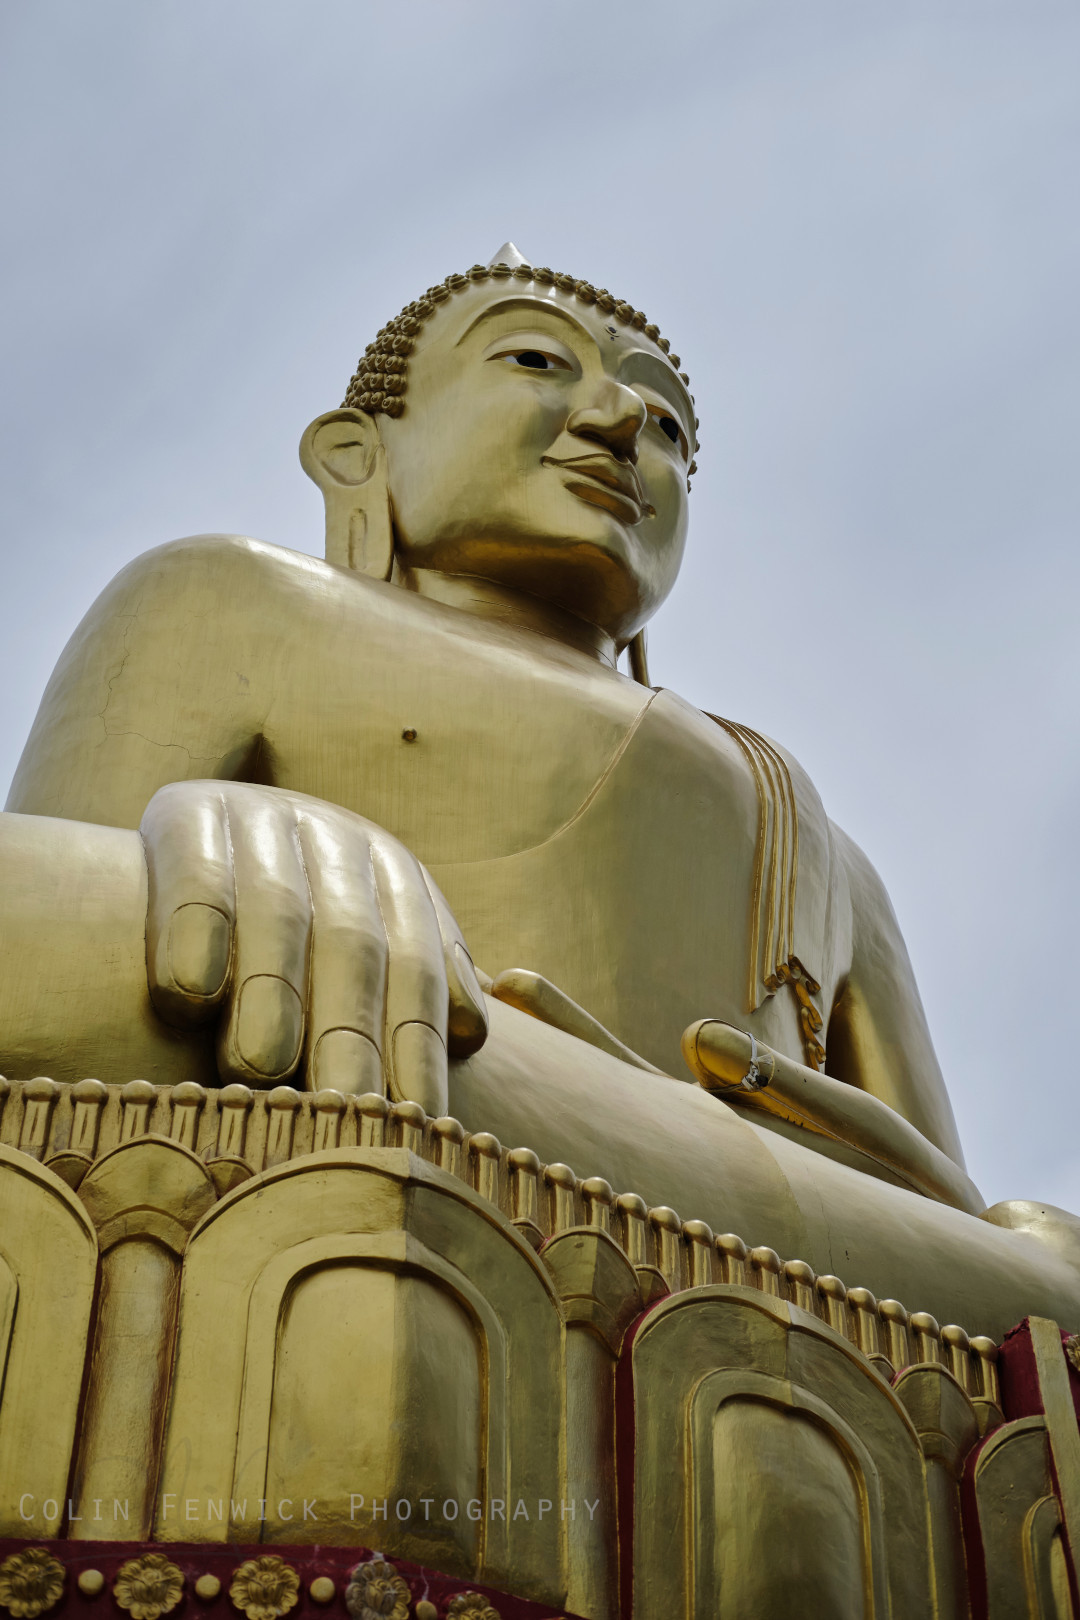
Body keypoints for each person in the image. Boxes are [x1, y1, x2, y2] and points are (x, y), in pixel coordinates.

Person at [1, 247, 1076, 1334]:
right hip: (374, 1112)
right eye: (536, 361)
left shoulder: (823, 846)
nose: (620, 421)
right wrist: (235, 852)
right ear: (356, 455)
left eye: (668, 429)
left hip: (769, 1278)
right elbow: (39, 963)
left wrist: (1012, 1266)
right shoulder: (230, 600)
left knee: (1039, 1304)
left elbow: (935, 1218)